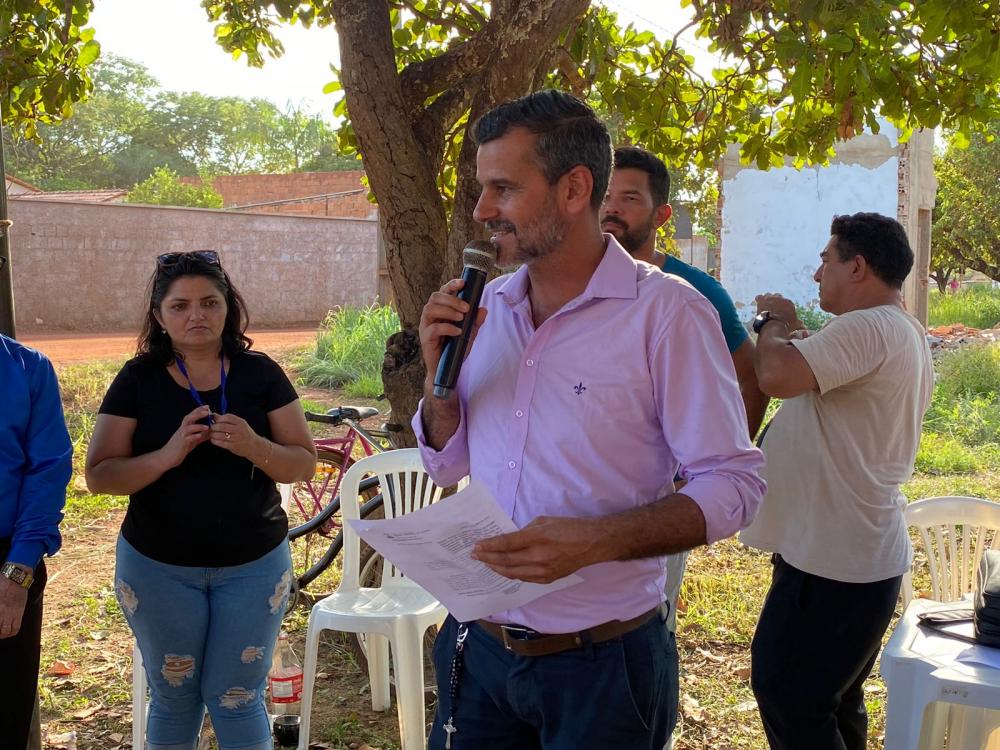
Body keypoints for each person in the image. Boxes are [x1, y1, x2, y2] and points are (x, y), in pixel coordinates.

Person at [416, 89, 765, 750]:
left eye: (502, 189)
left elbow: (735, 486)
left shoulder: (667, 315)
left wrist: (596, 540)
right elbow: (446, 461)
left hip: (603, 668)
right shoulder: (488, 305)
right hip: (477, 648)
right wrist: (441, 389)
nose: (482, 210)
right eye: (482, 189)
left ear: (574, 189)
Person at [85, 251, 317, 750]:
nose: (197, 316)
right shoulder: (138, 379)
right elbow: (99, 476)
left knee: (236, 696)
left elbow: (302, 463)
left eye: (211, 302)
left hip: (254, 566)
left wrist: (256, 446)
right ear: (158, 315)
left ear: (229, 308)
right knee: (174, 696)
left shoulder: (261, 374)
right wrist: (166, 456)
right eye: (180, 305)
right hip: (158, 566)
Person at [742, 213, 933, 749]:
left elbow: (776, 375)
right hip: (849, 553)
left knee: (790, 696)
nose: (817, 271)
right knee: (830, 698)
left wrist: (774, 321)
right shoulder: (898, 330)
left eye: (827, 259)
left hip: (835, 560)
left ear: (858, 266)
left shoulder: (869, 326)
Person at [602, 145, 769, 635]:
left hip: (657, 499)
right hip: (584, 497)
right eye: (606, 196)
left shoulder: (693, 293)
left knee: (646, 624)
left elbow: (751, 378)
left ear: (662, 214)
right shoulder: (570, 287)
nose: (612, 208)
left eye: (629, 198)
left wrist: (709, 475)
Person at [1, 334, 72, 750]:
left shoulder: (27, 369)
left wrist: (16, 574)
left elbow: (47, 470)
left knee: (6, 714)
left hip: (8, 561)